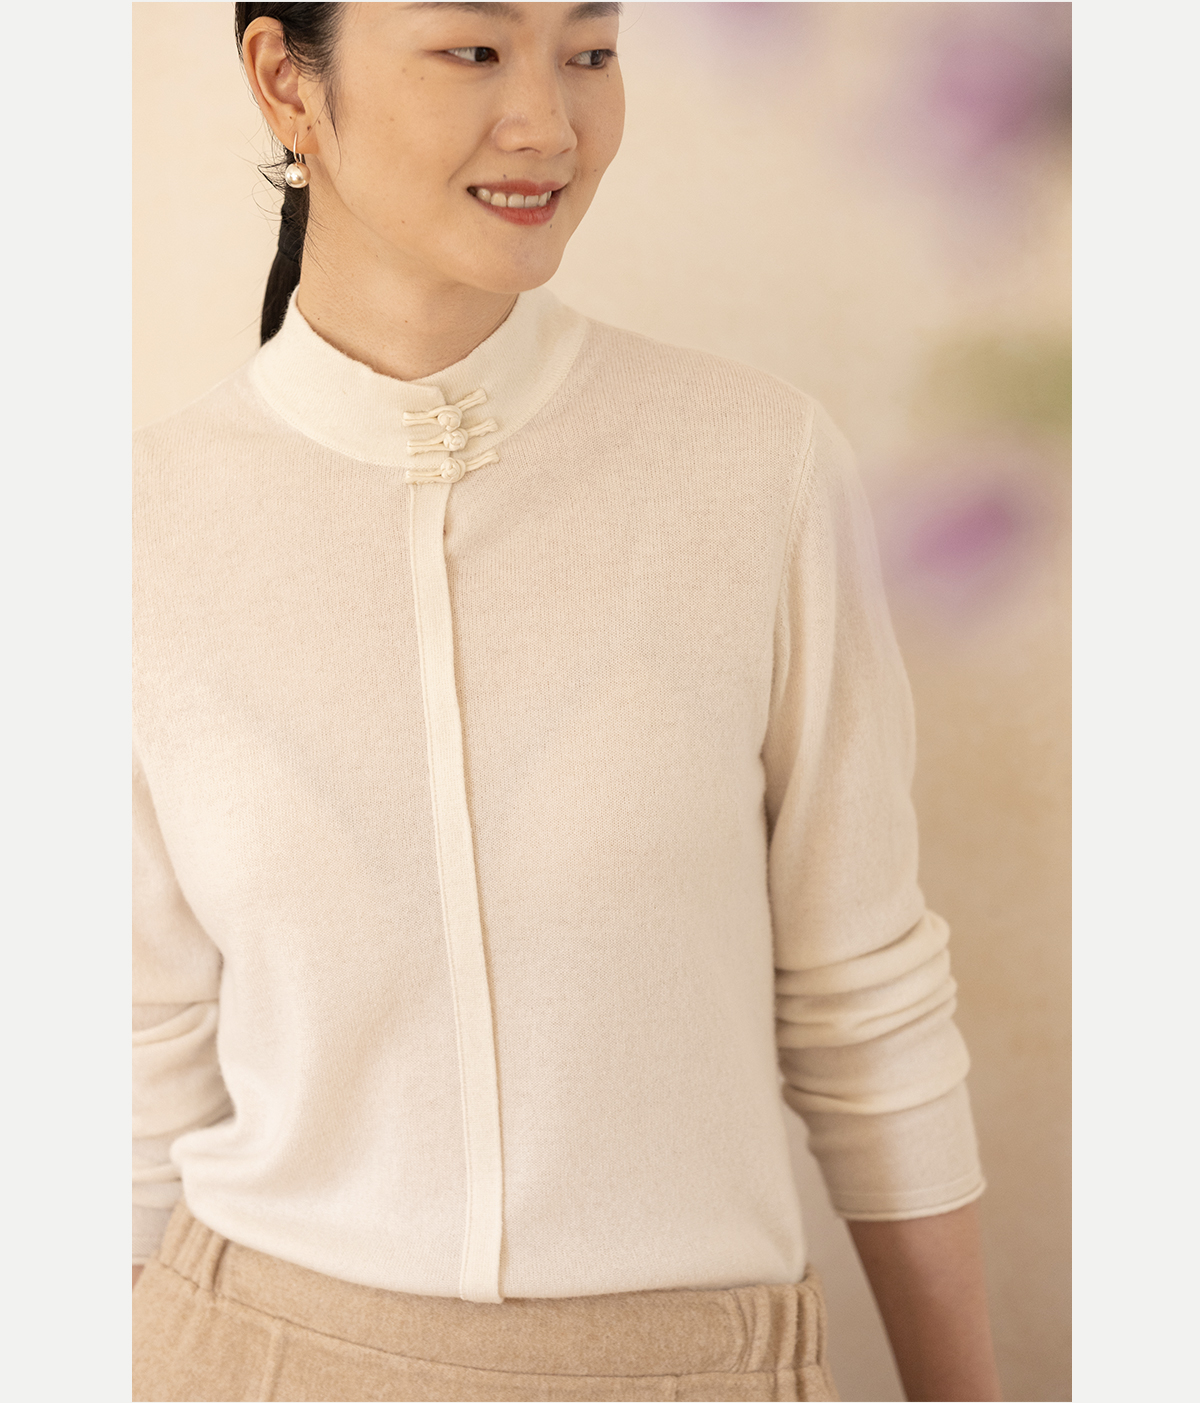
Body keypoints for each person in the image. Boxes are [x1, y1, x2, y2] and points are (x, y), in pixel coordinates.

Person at [132, 4, 1003, 1400]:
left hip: (693, 1368)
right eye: (473, 50)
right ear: (286, 80)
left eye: (590, 52)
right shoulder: (133, 533)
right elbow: (131, 1072)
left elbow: (865, 1002)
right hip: (246, 1358)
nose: (548, 123)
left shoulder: (756, 466)